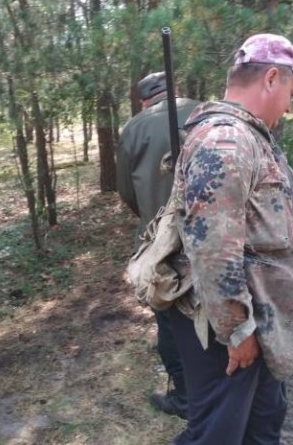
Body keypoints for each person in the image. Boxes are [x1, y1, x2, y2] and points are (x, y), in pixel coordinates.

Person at [168, 33, 293, 444]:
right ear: (271, 78)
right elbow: (212, 248)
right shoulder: (227, 141)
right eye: (291, 91)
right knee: (218, 434)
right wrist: (238, 331)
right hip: (231, 329)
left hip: (258, 321)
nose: (289, 107)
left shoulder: (247, 137)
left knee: (261, 426)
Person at [116, 72, 199, 419]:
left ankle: (185, 397)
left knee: (169, 320)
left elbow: (126, 191)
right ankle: (214, 385)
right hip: (209, 239)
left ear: (143, 101)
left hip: (160, 245)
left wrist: (152, 214)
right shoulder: (205, 111)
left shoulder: (134, 129)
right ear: (176, 90)